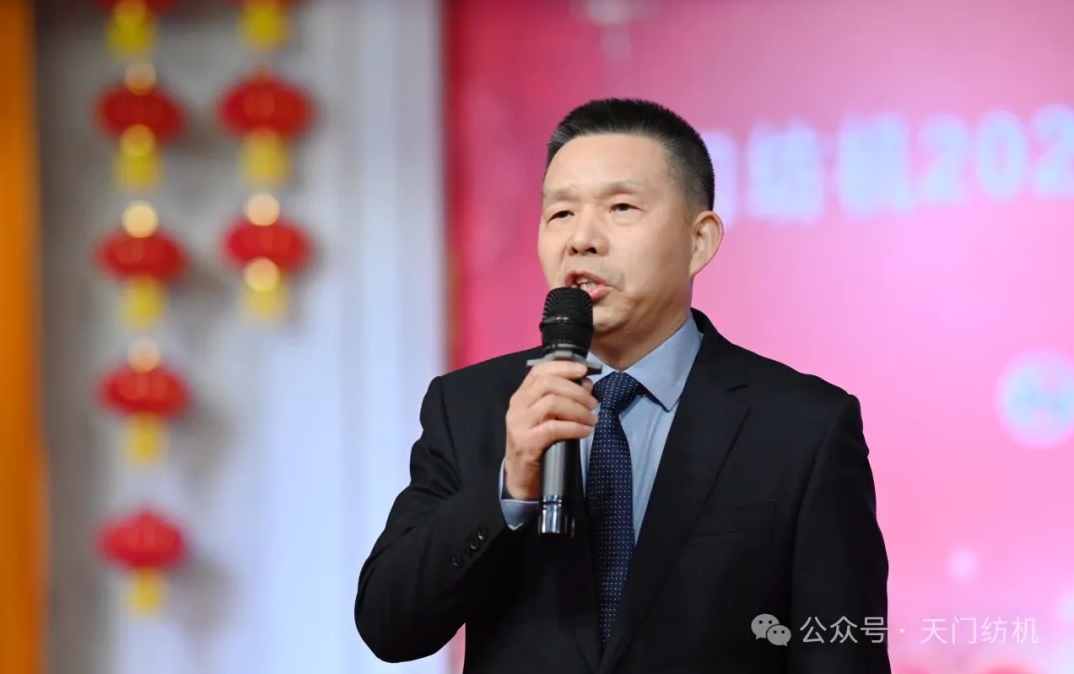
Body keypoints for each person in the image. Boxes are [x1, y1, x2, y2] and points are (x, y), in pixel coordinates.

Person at [355, 98, 890, 673]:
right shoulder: (471, 406)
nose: (581, 239)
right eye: (561, 213)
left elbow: (842, 655)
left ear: (700, 240)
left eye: (621, 207)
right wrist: (507, 488)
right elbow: (389, 625)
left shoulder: (803, 427)